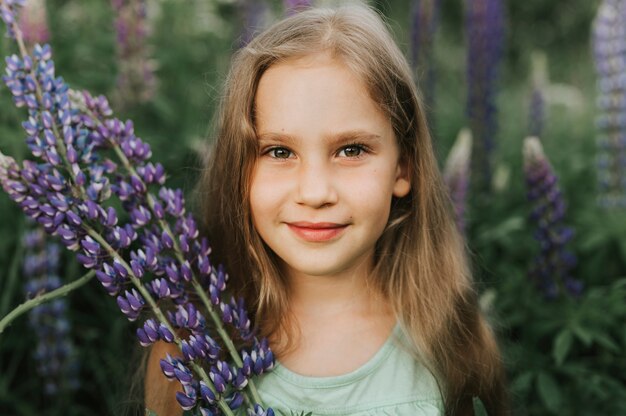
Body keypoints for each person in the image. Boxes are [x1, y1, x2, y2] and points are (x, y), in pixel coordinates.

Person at [145, 4, 509, 415]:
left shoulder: (451, 339)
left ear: (402, 167)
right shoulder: (191, 342)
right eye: (279, 151)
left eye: (351, 150)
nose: (315, 192)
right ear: (238, 170)